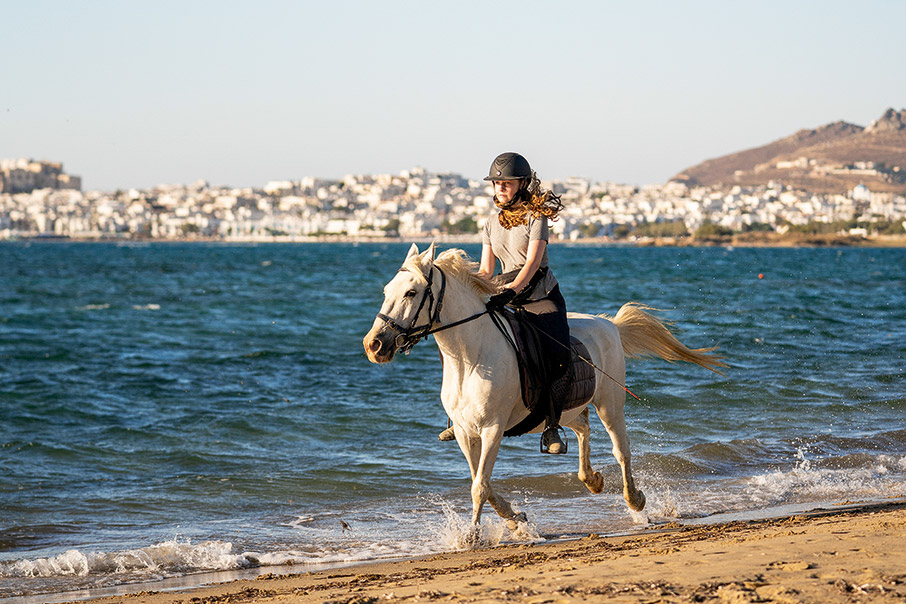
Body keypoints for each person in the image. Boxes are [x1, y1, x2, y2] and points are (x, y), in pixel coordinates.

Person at [439, 152, 571, 454]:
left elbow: (532, 264)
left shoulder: (536, 218)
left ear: (522, 184)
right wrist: (462, 286)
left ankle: (552, 426)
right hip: (503, 294)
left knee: (558, 353)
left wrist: (512, 291)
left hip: (539, 296)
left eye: (507, 183)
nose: (500, 187)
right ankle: (457, 416)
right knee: (457, 341)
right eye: (497, 183)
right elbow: (487, 271)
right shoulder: (491, 222)